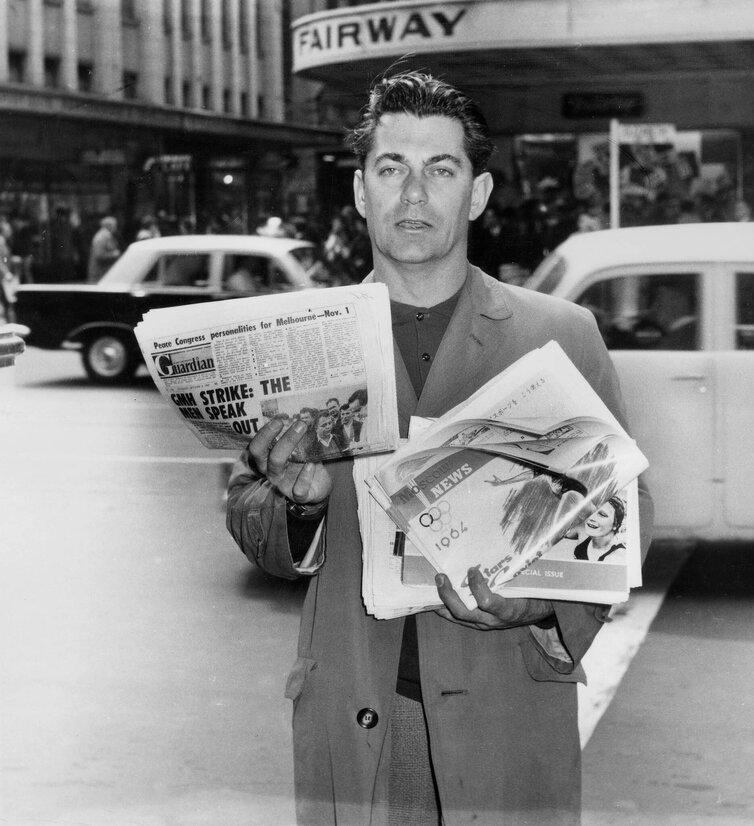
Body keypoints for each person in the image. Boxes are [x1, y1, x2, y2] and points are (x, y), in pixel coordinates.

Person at [226, 70, 652, 825]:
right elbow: (249, 516)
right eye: (391, 168)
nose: (414, 194)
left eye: (441, 170)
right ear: (360, 192)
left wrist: (544, 605)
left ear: (478, 193)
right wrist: (300, 508)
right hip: (359, 711)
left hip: (505, 711)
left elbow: (624, 511)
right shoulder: (302, 340)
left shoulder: (559, 334)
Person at [566, 497, 626, 562]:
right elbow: (560, 532)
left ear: (615, 525)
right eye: (591, 512)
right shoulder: (583, 530)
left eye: (602, 514)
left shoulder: (618, 556)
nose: (591, 518)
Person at [87, 216, 120, 283]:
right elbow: (99, 255)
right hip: (99, 274)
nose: (116, 228)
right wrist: (114, 254)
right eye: (115, 225)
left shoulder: (105, 236)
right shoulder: (102, 237)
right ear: (109, 226)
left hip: (102, 273)